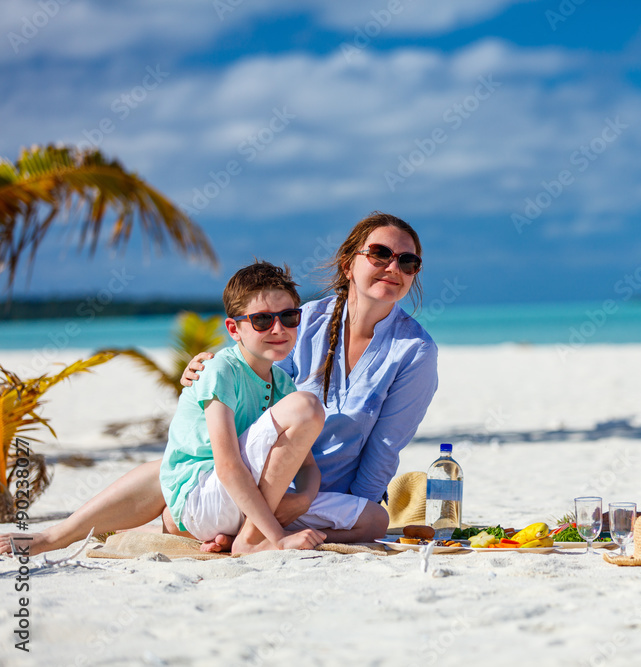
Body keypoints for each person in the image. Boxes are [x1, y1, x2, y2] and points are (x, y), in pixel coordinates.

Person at [1, 212, 437, 556]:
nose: (393, 267)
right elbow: (248, 356)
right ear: (349, 263)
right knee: (170, 469)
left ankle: (241, 530)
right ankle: (55, 535)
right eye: (379, 254)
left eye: (407, 260)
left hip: (312, 490)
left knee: (374, 519)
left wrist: (332, 506)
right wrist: (200, 368)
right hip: (248, 472)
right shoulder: (305, 319)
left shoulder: (413, 351)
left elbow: (383, 450)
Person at [159, 260, 325, 553]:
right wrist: (279, 537)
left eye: (288, 317)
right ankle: (253, 540)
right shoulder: (220, 369)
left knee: (373, 520)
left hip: (245, 499)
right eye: (262, 320)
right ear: (234, 329)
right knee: (307, 405)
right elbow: (227, 465)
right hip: (203, 497)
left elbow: (308, 467)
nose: (278, 328)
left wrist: (304, 499)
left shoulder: (282, 382)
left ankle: (240, 536)